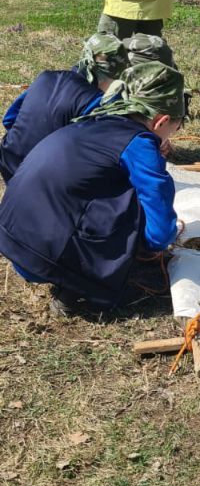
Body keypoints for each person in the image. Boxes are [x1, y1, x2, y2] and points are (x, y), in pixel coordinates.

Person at [0, 61, 187, 316]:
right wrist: (152, 246)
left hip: (11, 234)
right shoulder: (139, 144)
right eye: (175, 128)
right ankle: (80, 287)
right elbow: (159, 221)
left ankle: (67, 270)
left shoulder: (94, 119)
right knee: (131, 201)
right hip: (40, 255)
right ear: (161, 121)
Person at [0, 32, 128, 183]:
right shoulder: (94, 102)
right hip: (39, 176)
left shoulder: (46, 77)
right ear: (111, 75)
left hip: (8, 158)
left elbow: (9, 119)